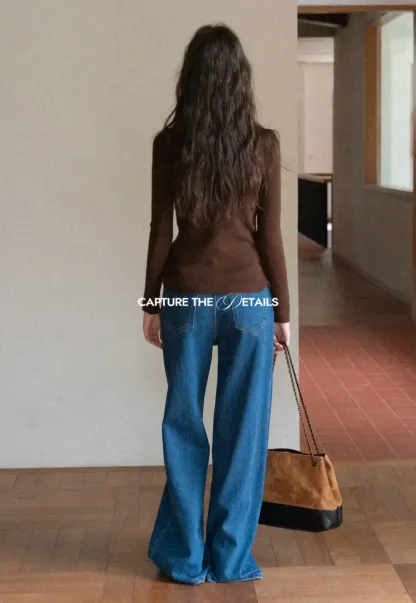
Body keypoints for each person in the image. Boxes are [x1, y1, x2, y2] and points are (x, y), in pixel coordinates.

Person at [142, 24, 290, 585]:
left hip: (184, 298)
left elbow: (160, 230)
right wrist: (282, 315)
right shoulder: (263, 145)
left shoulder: (169, 145)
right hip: (250, 303)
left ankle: (185, 559)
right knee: (243, 431)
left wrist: (150, 303)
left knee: (182, 423)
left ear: (191, 79)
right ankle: (229, 561)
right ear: (239, 80)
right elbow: (270, 237)